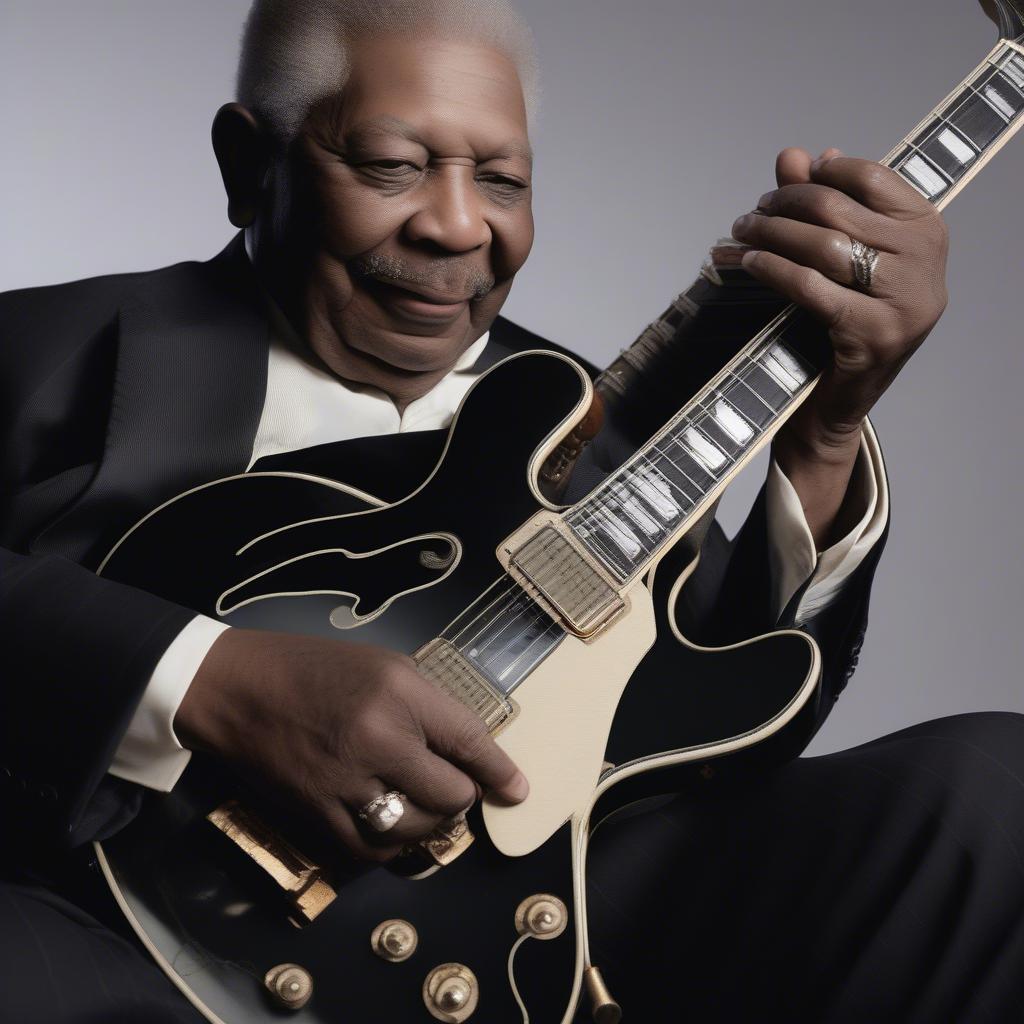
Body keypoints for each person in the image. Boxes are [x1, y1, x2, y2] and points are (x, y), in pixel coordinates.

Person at [1, 1, 1020, 1021]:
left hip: (550, 940)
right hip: (94, 928)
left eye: (501, 180)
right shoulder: (51, 351)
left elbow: (721, 729)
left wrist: (827, 432)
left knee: (989, 793)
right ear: (248, 163)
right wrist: (208, 680)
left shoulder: (590, 417)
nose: (455, 224)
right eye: (392, 164)